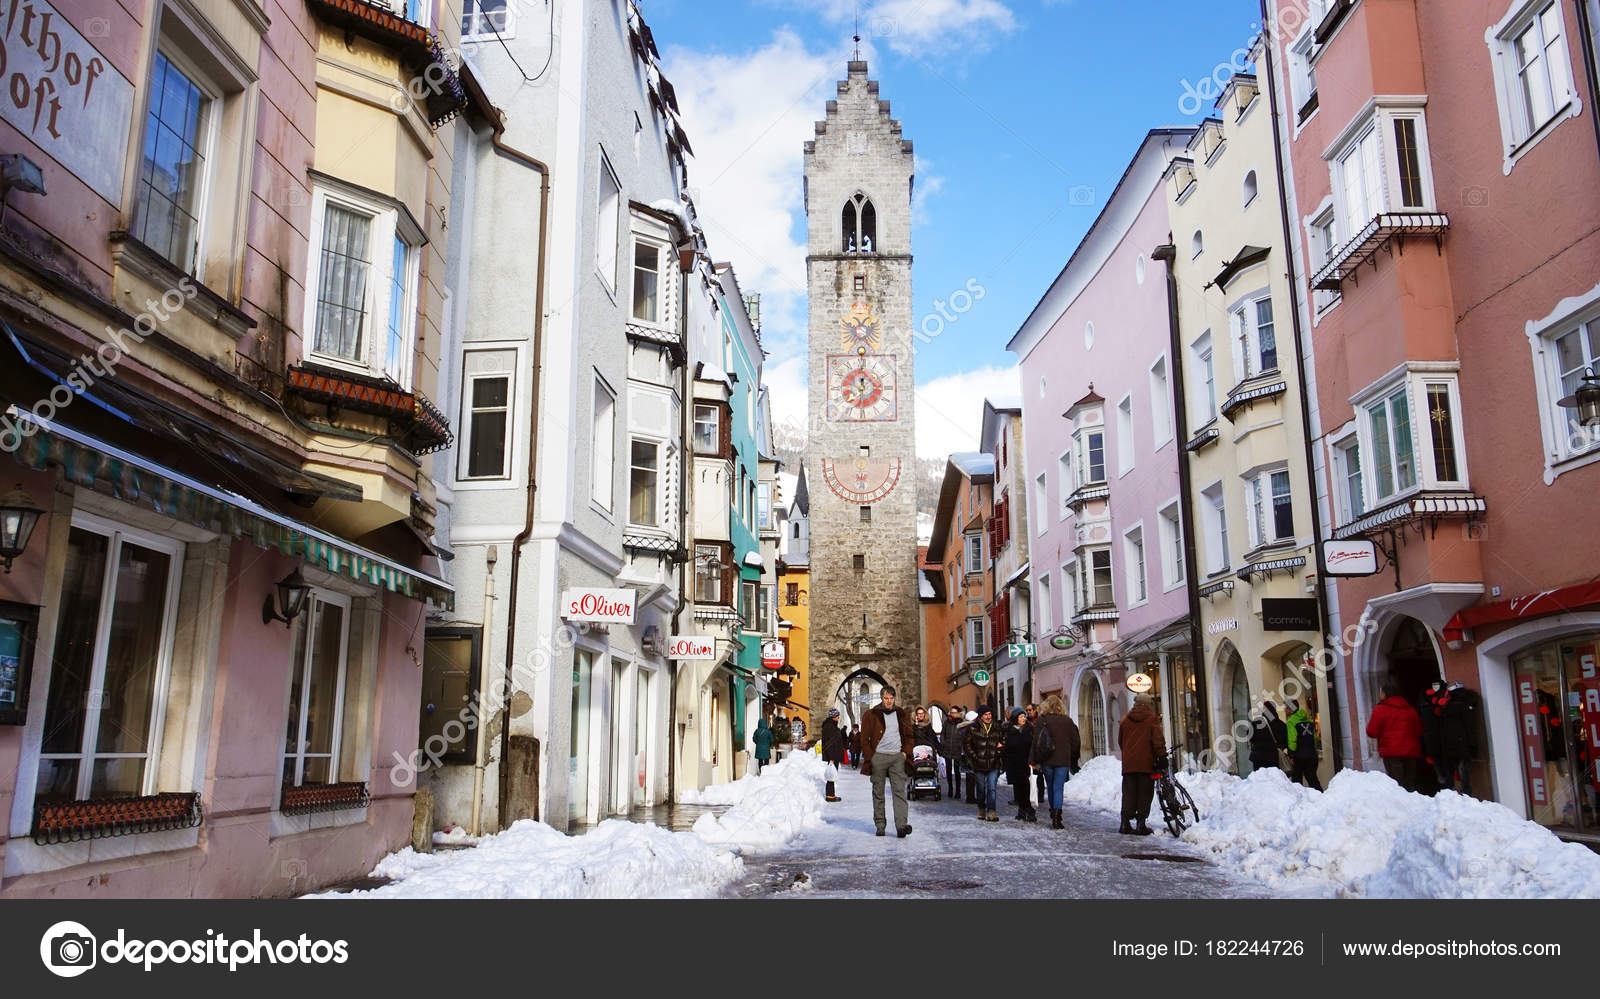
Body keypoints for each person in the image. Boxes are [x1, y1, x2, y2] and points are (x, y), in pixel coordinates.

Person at [859, 685, 915, 838]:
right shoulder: (871, 715)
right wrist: (872, 757)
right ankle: (880, 825)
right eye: (886, 698)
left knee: (899, 792)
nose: (889, 701)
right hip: (879, 757)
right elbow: (864, 740)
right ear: (881, 698)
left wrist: (905, 752)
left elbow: (909, 736)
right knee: (878, 793)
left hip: (897, 757)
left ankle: (901, 826)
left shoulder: (901, 714)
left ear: (894, 699)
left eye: (891, 698)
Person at [1421, 680, 1480, 796]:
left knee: (1454, 774)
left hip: (1452, 745)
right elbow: (1470, 726)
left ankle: (1457, 796)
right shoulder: (1464, 704)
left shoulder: (1451, 705)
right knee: (1461, 773)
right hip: (1460, 744)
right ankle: (1462, 796)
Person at [1117, 693, 1165, 835]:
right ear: (1148, 704)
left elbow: (1121, 741)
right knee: (1145, 793)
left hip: (1129, 764)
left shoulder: (1125, 720)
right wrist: (1161, 755)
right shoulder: (1152, 719)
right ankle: (1140, 824)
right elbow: (1157, 740)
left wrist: (1128, 753)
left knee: (1129, 793)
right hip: (1146, 762)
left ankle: (1125, 823)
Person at [1366, 679, 1424, 793]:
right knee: (1409, 783)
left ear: (1385, 694)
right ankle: (1413, 805)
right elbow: (1419, 730)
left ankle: (1401, 807)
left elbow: (1371, 731)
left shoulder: (1380, 709)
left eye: (1381, 692)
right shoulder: (1410, 709)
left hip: (1391, 752)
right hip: (1411, 751)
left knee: (1397, 784)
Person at [1033, 694, 1081, 830]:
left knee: (1050, 786)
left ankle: (1053, 812)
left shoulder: (1041, 720)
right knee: (1058, 787)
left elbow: (1035, 742)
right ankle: (1057, 817)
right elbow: (1076, 741)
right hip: (1062, 758)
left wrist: (1033, 759)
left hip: (1047, 758)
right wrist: (1073, 757)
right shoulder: (1068, 721)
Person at [964, 705, 1005, 822]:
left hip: (994, 762)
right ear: (981, 716)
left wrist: (1000, 748)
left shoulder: (997, 727)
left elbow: (1004, 740)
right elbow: (967, 744)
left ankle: (992, 811)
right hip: (979, 763)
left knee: (991, 788)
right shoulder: (973, 728)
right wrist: (974, 756)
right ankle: (981, 808)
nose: (988, 717)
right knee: (981, 788)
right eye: (986, 715)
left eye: (990, 714)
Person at [1003, 707, 1037, 822]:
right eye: (1021, 716)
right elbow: (1005, 746)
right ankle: (1022, 810)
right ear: (1015, 718)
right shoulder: (1008, 730)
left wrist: (1033, 761)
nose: (1023, 718)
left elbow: (1033, 746)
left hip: (1026, 762)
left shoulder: (1030, 729)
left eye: (1024, 716)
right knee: (1018, 787)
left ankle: (1029, 810)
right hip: (1013, 763)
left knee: (1026, 786)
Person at [1284, 699, 1323, 791]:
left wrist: (1291, 755)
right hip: (1312, 754)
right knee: (1313, 780)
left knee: (1297, 782)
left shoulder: (1291, 722)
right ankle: (1321, 797)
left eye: (1286, 708)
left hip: (1299, 755)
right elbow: (1314, 738)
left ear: (1291, 709)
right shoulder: (1308, 720)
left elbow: (1292, 740)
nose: (1285, 710)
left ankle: (1299, 803)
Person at [1248, 701, 1287, 773]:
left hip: (1258, 757)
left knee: (1260, 780)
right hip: (1273, 757)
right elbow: (1285, 741)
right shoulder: (1281, 725)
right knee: (1274, 780)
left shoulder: (1256, 722)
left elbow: (1249, 736)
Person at [821, 708, 847, 801]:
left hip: (834, 755)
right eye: (837, 716)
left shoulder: (832, 725)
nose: (839, 717)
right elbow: (830, 743)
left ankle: (831, 794)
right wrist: (831, 757)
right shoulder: (830, 727)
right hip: (832, 756)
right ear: (833, 716)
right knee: (831, 775)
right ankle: (830, 796)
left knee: (832, 775)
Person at [940, 704, 966, 799]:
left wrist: (961, 745)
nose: (953, 714)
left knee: (957, 771)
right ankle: (950, 789)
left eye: (954, 712)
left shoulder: (961, 723)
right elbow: (943, 734)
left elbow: (964, 736)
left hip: (957, 750)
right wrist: (943, 743)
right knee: (949, 771)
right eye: (951, 712)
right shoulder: (947, 722)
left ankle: (958, 791)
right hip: (947, 749)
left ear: (958, 713)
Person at [1026, 703, 1045, 803]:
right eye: (1027, 710)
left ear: (1035, 710)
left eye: (1030, 710)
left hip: (1038, 750)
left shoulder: (1040, 721)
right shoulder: (1027, 722)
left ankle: (1040, 794)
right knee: (1031, 774)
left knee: (1039, 773)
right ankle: (1032, 793)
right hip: (1030, 750)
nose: (1028, 712)